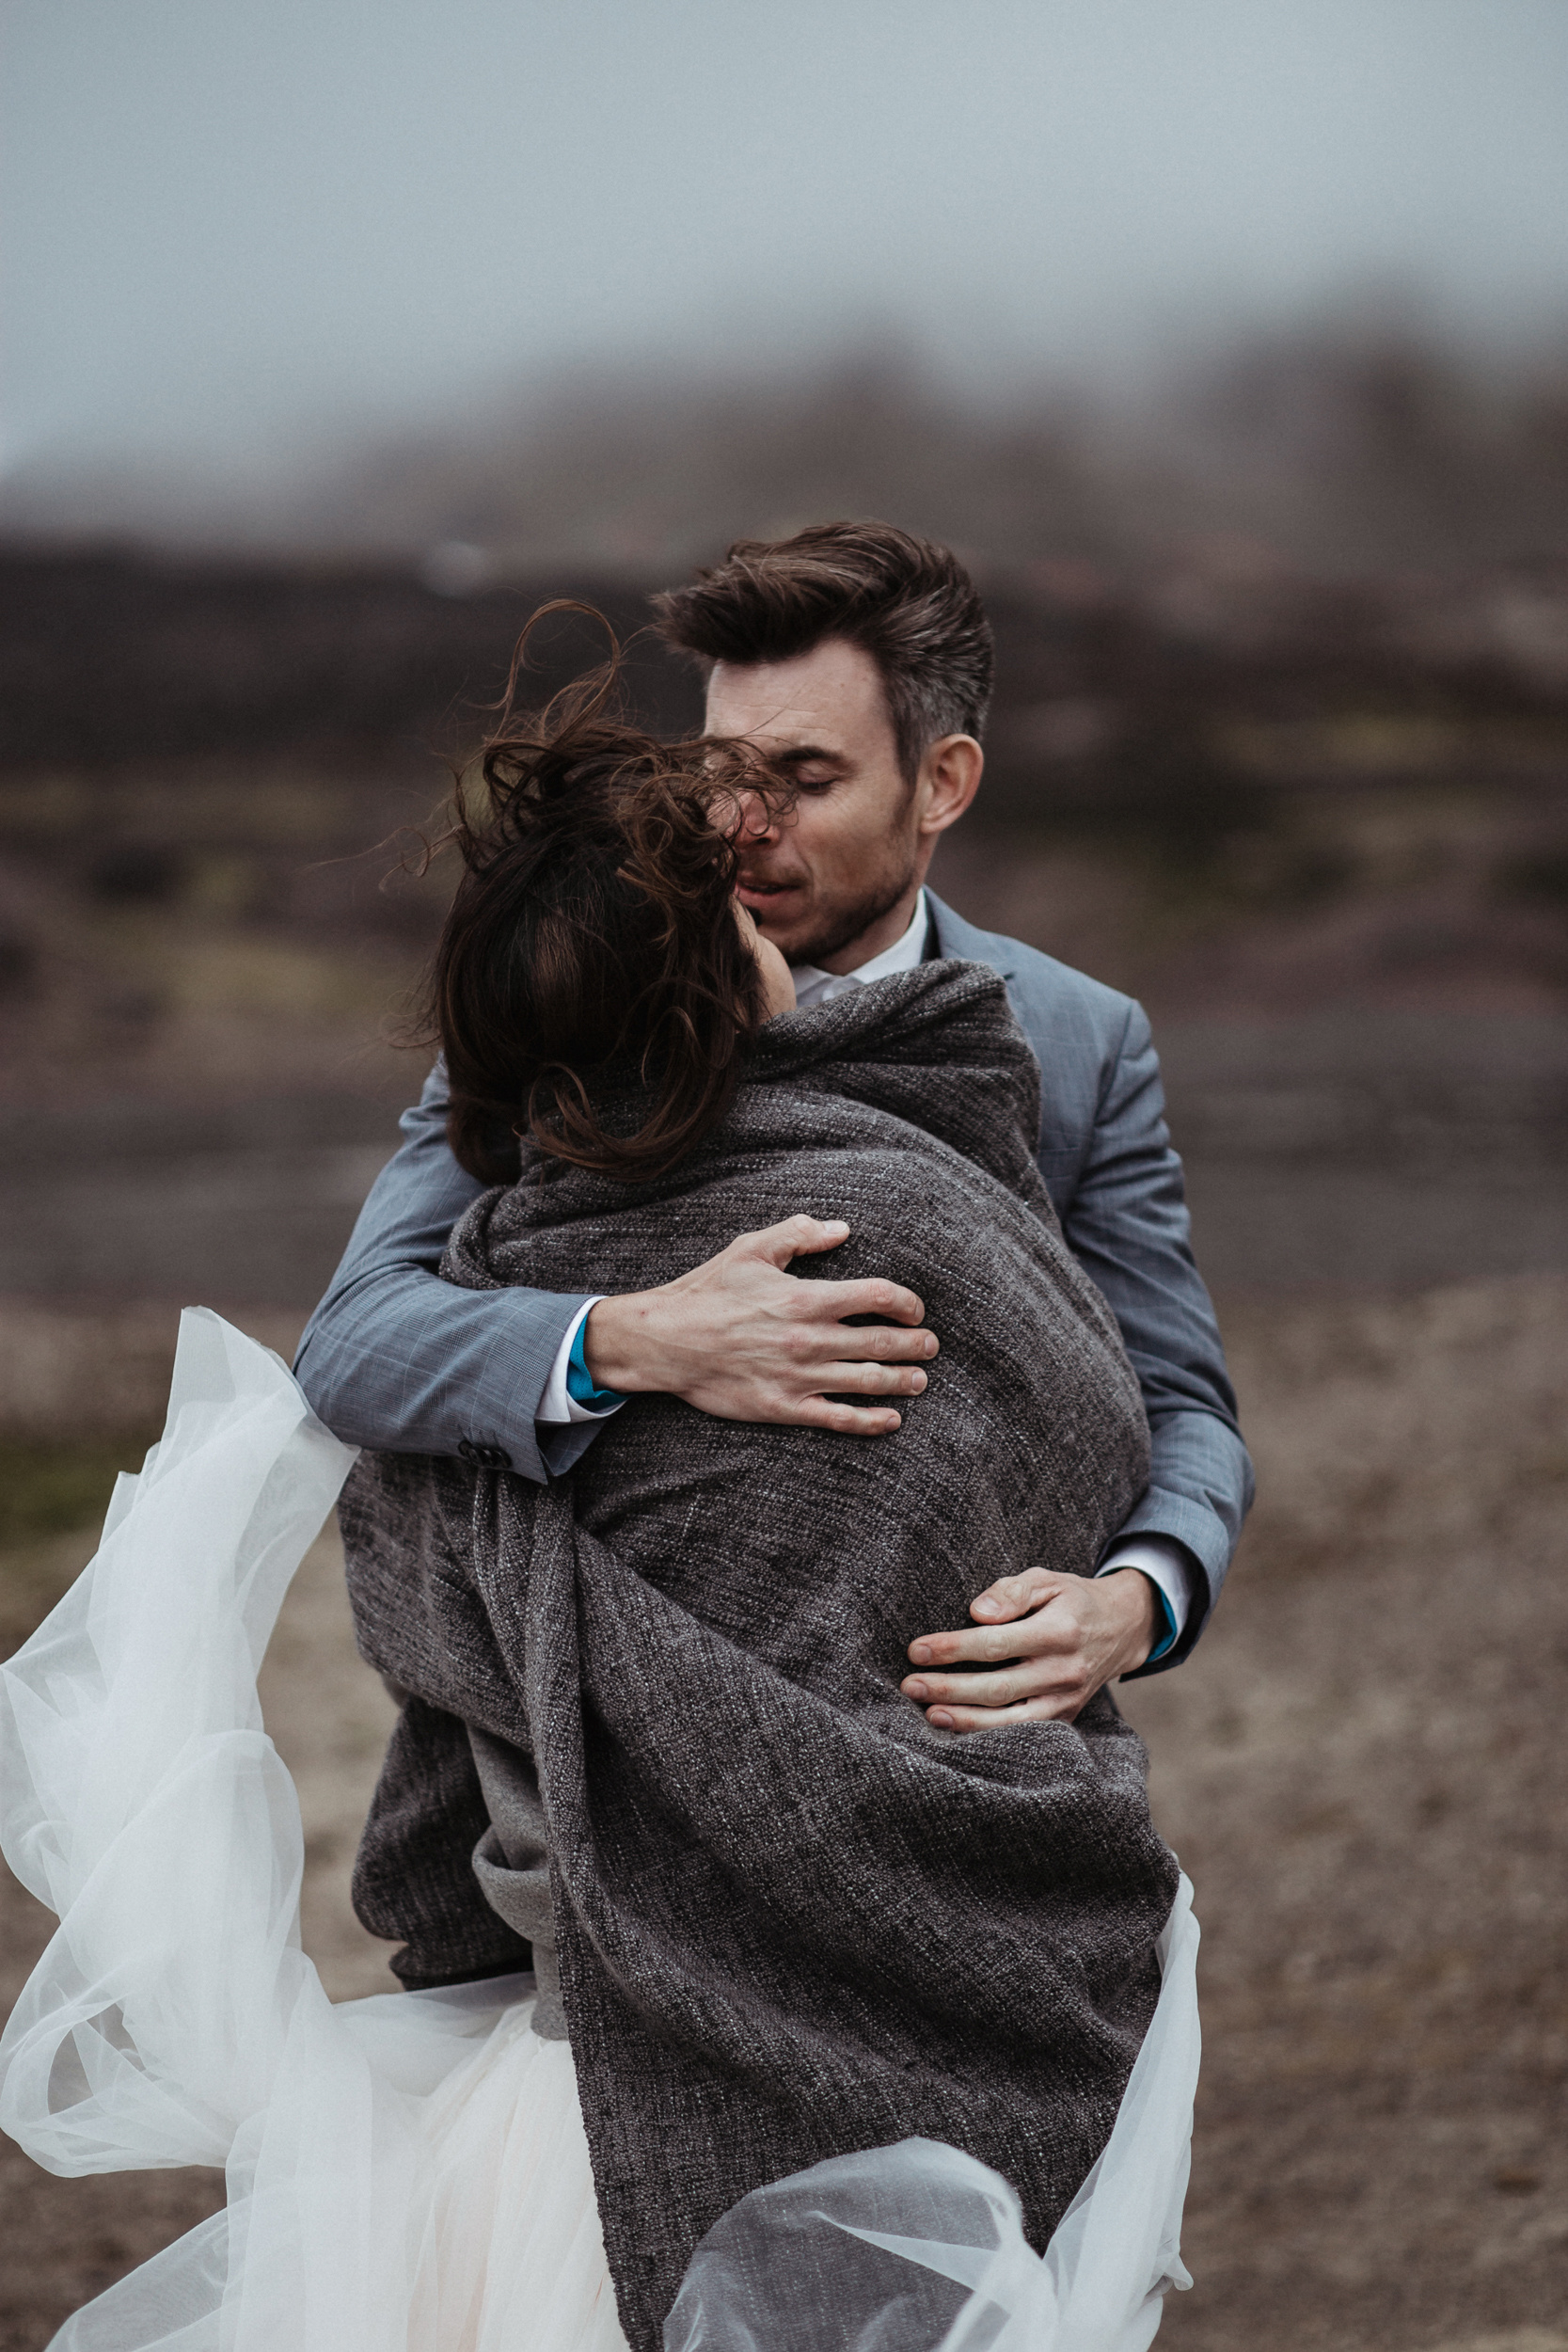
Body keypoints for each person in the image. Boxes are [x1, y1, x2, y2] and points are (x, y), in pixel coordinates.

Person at [295, 522, 1253, 1733]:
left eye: (805, 781)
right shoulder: (587, 998)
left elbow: (1181, 1404)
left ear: (942, 782)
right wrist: (637, 1341)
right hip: (610, 1724)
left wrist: (1132, 1600)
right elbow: (349, 1347)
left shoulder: (1080, 1036)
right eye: (718, 772)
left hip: (951, 1727)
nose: (741, 823)